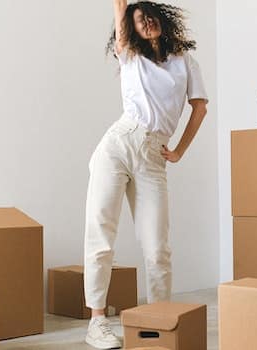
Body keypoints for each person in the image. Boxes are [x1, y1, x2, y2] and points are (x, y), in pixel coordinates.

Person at [83, 0, 208, 348]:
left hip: (154, 155)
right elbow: (120, 6)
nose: (147, 23)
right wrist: (123, 10)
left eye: (150, 17)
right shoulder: (130, 56)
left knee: (157, 248)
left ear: (163, 20)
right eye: (138, 20)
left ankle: (158, 319)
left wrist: (180, 150)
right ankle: (97, 322)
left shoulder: (185, 62)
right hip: (119, 145)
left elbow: (199, 108)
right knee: (101, 235)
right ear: (131, 28)